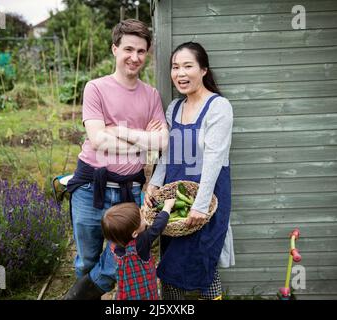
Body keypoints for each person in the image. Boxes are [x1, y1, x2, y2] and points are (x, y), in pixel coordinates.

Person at [63, 19, 169, 300]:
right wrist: (141, 140)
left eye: (141, 51)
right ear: (115, 49)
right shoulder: (95, 88)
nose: (135, 57)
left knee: (116, 264)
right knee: (86, 260)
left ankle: (76, 297)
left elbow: (162, 142)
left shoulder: (151, 96)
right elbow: (98, 140)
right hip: (89, 188)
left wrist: (119, 132)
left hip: (128, 192)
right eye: (128, 49)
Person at [145, 42, 234, 300]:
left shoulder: (219, 107)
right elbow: (168, 154)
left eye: (187, 66)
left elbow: (215, 159)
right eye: (175, 67)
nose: (180, 73)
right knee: (170, 262)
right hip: (174, 199)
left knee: (205, 261)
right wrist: (154, 184)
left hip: (207, 197)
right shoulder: (174, 108)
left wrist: (201, 206)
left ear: (203, 69)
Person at [101, 199, 175, 300]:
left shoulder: (116, 242)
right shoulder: (141, 243)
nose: (144, 218)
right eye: (142, 218)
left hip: (127, 291)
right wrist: (167, 207)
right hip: (144, 291)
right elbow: (157, 226)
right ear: (134, 233)